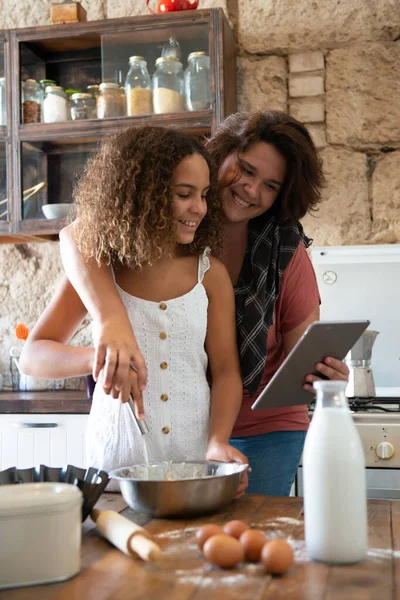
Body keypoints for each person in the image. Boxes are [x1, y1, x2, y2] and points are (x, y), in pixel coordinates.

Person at [59, 111, 349, 496]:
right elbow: (76, 234)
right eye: (245, 170)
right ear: (222, 156)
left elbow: (291, 358)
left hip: (263, 426)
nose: (250, 189)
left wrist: (323, 375)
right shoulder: (138, 244)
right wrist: (111, 332)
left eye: (270, 185)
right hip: (167, 437)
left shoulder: (281, 251)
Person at [20, 126, 248, 493]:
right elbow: (32, 357)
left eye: (204, 195)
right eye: (183, 194)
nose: (199, 209)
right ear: (143, 196)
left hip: (191, 470)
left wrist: (217, 442)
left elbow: (226, 374)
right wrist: (100, 358)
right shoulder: (98, 271)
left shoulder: (210, 275)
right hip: (112, 473)